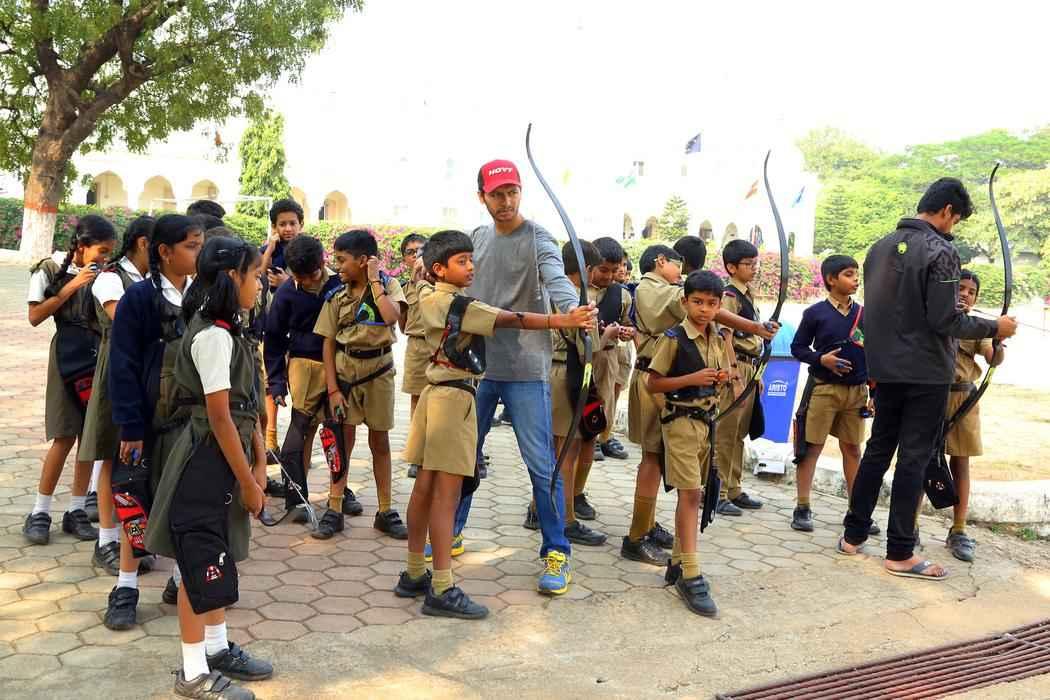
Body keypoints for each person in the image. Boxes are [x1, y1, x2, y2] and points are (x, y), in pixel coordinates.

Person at [396, 230, 596, 618]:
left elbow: (423, 284)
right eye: (462, 262)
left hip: (433, 397)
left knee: (424, 486)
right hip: (454, 403)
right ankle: (441, 587)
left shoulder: (425, 294)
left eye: (472, 259)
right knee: (445, 496)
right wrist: (563, 318)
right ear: (440, 268)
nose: (471, 267)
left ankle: (414, 572)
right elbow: (513, 318)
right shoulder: (461, 305)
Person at [839, 178, 1017, 580]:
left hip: (885, 370)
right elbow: (945, 320)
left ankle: (852, 535)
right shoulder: (941, 250)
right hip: (926, 373)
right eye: (956, 220)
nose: (953, 227)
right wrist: (996, 327)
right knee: (914, 457)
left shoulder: (880, 247)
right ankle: (900, 552)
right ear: (948, 211)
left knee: (878, 450)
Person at [448, 159, 593, 596]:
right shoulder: (476, 239)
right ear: (482, 197)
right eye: (497, 194)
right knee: (464, 456)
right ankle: (451, 530)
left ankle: (557, 551)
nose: (506, 201)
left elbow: (556, 279)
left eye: (512, 192)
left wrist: (572, 309)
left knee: (541, 465)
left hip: (527, 369)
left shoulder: (538, 238)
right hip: (478, 368)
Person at [146, 236, 273, 699]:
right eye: (255, 275)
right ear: (233, 277)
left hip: (227, 454)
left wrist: (259, 463)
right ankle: (193, 673)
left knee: (217, 554)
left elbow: (244, 409)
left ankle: (216, 649)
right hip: (207, 458)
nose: (260, 285)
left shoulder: (228, 328)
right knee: (198, 564)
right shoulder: (214, 336)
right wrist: (247, 481)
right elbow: (219, 417)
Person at [622, 244, 775, 566]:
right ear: (660, 261)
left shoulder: (663, 289)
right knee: (652, 457)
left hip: (675, 384)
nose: (680, 269)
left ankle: (647, 526)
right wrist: (753, 327)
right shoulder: (652, 288)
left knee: (661, 460)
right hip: (657, 381)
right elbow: (708, 308)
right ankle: (636, 536)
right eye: (676, 263)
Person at [108, 214, 203, 628]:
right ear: (164, 252)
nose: (199, 254)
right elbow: (123, 366)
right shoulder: (138, 299)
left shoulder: (204, 295)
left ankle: (180, 579)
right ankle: (126, 586)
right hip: (147, 421)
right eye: (191, 247)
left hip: (192, 421)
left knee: (187, 500)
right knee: (135, 501)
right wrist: (130, 426)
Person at [23, 215, 117, 546]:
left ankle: (76, 510)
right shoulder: (49, 268)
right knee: (63, 435)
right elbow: (35, 316)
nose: (104, 258)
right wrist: (72, 286)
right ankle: (39, 511)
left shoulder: (106, 275)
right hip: (65, 355)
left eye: (109, 252)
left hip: (96, 356)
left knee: (88, 438)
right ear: (81, 245)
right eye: (101, 251)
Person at [646, 270, 733, 616]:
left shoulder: (717, 337)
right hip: (680, 423)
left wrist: (722, 377)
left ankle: (679, 561)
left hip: (706, 423)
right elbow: (653, 383)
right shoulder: (673, 338)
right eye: (697, 302)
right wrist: (692, 378)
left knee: (695, 493)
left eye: (711, 303)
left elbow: (723, 372)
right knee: (691, 494)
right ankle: (692, 573)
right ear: (684, 302)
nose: (704, 309)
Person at [312, 230, 409, 540]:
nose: (337, 266)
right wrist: (332, 389)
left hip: (380, 373)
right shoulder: (336, 295)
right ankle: (335, 507)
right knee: (342, 442)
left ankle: (385, 511)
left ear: (364, 260)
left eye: (342, 260)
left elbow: (391, 317)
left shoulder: (389, 286)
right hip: (346, 375)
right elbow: (328, 344)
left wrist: (374, 280)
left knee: (380, 442)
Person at [523, 241, 618, 546]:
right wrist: (607, 335)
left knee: (550, 450)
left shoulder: (543, 294)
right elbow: (588, 347)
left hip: (544, 372)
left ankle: (538, 509)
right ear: (587, 269)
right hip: (568, 375)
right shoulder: (578, 301)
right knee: (567, 452)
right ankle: (565, 520)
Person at [264, 235, 359, 524]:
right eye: (300, 278)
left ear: (323, 262)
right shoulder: (286, 293)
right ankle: (296, 497)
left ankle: (339, 493)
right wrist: (276, 382)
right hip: (303, 366)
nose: (307, 282)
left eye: (312, 275)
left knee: (335, 432)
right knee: (300, 431)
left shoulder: (340, 284)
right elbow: (274, 339)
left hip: (339, 366)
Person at [79, 216, 154, 578]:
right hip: (118, 369)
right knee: (111, 455)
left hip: (146, 369)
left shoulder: (150, 280)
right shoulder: (111, 278)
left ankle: (134, 539)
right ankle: (106, 541)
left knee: (137, 461)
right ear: (143, 243)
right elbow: (126, 322)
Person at [789, 254, 876, 533]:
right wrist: (821, 359)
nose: (856, 280)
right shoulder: (815, 313)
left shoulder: (865, 314)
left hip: (857, 392)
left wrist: (873, 392)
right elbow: (798, 348)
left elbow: (873, 354)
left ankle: (856, 511)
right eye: (849, 274)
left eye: (856, 274)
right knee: (811, 448)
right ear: (830, 279)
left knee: (853, 449)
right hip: (823, 390)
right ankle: (803, 506)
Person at [941, 269, 1005, 562]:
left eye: (971, 292)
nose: (965, 294)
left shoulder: (977, 325)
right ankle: (910, 524)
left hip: (964, 399)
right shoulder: (936, 316)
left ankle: (959, 529)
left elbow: (993, 357)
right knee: (921, 460)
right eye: (961, 288)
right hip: (931, 395)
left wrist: (998, 339)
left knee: (961, 461)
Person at [713, 239, 769, 516]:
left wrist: (756, 375)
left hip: (750, 367)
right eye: (748, 264)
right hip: (734, 366)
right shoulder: (730, 295)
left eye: (756, 263)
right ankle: (717, 492)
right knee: (725, 433)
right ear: (731, 267)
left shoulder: (747, 294)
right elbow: (725, 335)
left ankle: (733, 487)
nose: (754, 268)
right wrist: (733, 373)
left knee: (738, 433)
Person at [259, 199, 305, 454]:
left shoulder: (308, 251)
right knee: (270, 384)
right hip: (271, 326)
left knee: (299, 387)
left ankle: (296, 445)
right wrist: (269, 249)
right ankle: (270, 439)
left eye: (292, 223)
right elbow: (257, 274)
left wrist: (287, 281)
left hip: (299, 327)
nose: (288, 228)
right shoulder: (269, 250)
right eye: (282, 224)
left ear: (301, 224)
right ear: (274, 227)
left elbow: (315, 283)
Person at [591, 237, 634, 465]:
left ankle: (598, 437)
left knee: (604, 399)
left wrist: (626, 332)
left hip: (608, 356)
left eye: (614, 271)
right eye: (603, 270)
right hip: (581, 357)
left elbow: (628, 323)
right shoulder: (577, 292)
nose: (608, 276)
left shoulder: (622, 295)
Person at [398, 232, 431, 479]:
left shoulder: (439, 284)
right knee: (418, 403)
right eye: (411, 252)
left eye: (421, 251)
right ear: (404, 259)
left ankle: (435, 455)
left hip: (440, 348)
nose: (416, 256)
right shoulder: (403, 289)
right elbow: (402, 324)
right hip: (417, 347)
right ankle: (417, 456)